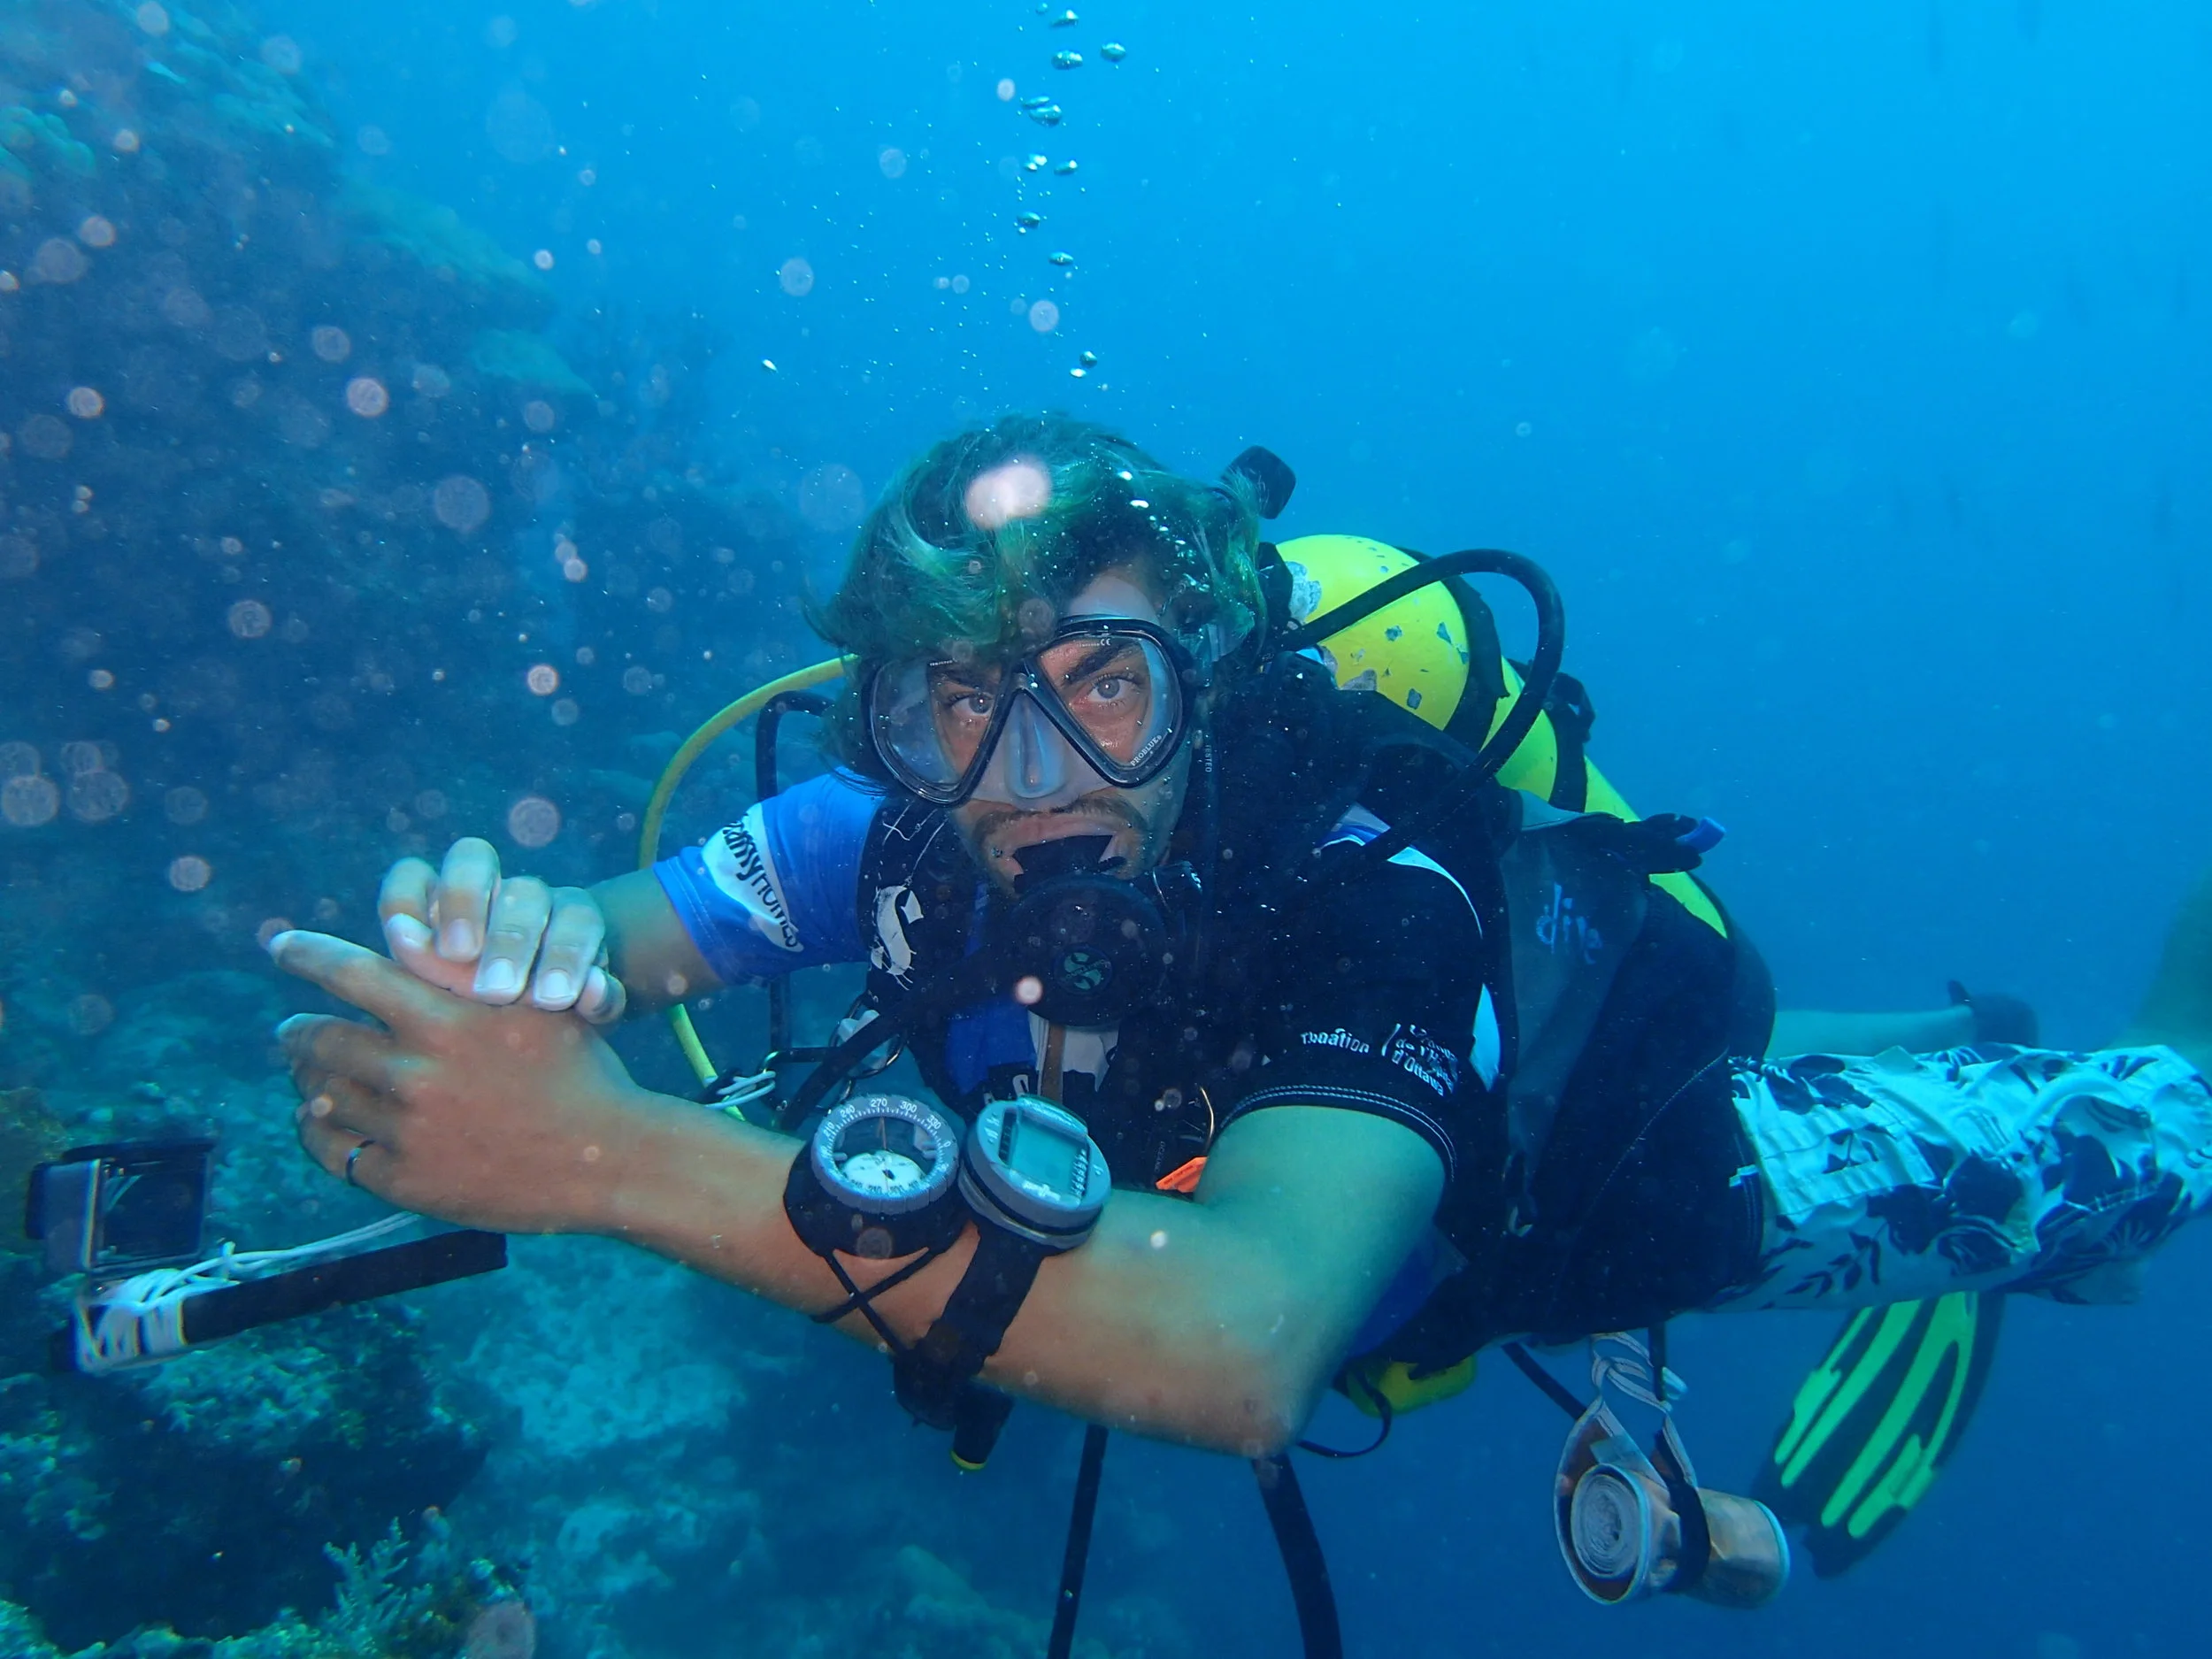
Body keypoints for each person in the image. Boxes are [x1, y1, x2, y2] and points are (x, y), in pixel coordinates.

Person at [271, 414, 2212, 1556]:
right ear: (887, 717)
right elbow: (615, 935)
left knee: (2153, 1137)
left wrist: (605, 1161)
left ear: (1205, 673)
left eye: (1101, 684)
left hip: (1630, 1200)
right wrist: (493, 950)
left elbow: (1237, 1346)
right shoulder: (891, 830)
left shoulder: (1375, 893)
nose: (1026, 776)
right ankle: (1968, 1027)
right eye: (952, 699)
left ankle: (2050, 1105)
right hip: (1369, 1146)